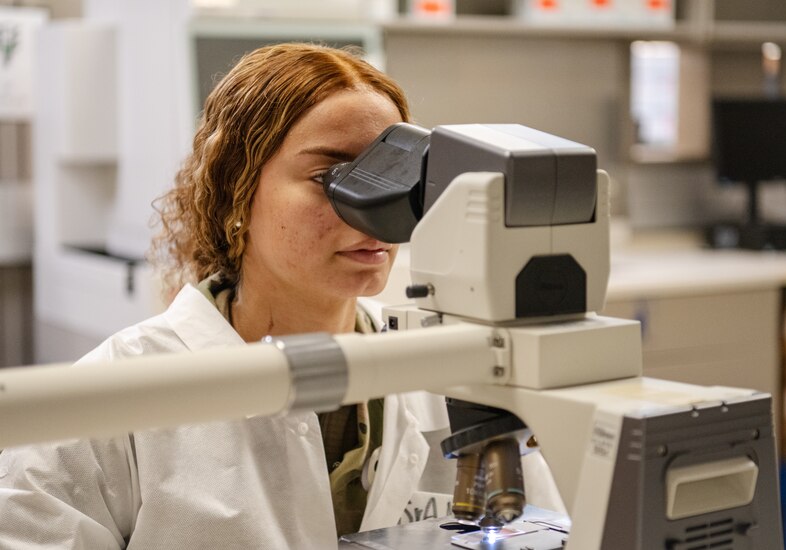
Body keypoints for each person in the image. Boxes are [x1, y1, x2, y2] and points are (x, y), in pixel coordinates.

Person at [0, 43, 458, 549]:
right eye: (332, 176)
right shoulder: (113, 399)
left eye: (393, 176)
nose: (377, 210)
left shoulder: (447, 370)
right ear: (235, 187)